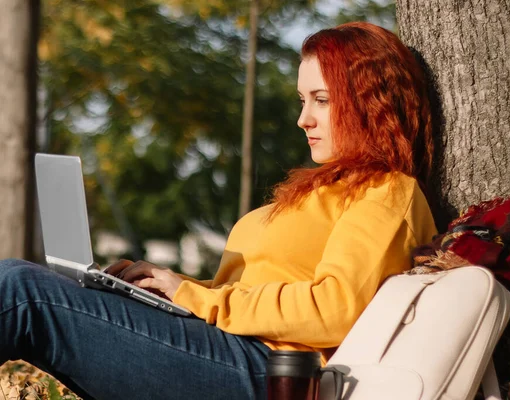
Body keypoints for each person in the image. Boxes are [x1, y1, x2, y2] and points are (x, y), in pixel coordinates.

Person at [0, 21, 437, 399]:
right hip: (224, 348)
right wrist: (166, 284)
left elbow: (336, 307)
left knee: (23, 291)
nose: (304, 119)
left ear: (370, 100)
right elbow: (237, 292)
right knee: (22, 282)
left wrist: (194, 295)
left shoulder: (386, 190)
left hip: (266, 371)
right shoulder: (325, 188)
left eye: (321, 100)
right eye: (302, 101)